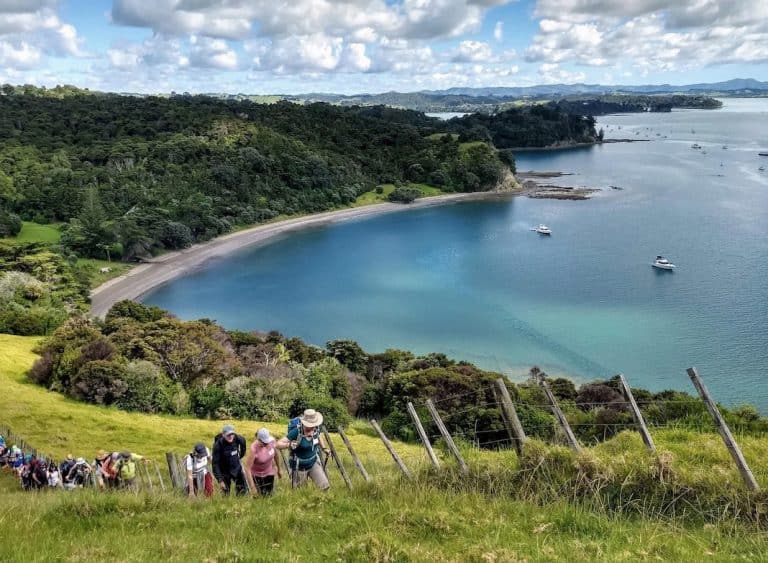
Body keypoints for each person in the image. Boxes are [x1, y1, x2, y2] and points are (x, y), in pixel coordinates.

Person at [276, 409, 330, 491]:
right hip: (299, 467)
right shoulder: (296, 432)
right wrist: (289, 445)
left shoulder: (316, 429)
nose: (313, 427)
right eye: (310, 424)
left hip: (313, 462)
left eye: (314, 424)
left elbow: (318, 436)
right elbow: (278, 444)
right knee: (301, 492)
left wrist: (324, 448)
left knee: (324, 487)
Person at [211, 424, 247, 496]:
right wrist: (220, 480)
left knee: (242, 490)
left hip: (236, 468)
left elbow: (243, 446)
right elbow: (215, 464)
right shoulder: (218, 445)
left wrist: (240, 455)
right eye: (228, 435)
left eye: (232, 434)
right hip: (224, 471)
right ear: (223, 435)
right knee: (225, 493)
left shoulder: (238, 439)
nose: (231, 436)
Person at [245, 428, 282, 496]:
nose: (266, 444)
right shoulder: (253, 449)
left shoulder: (272, 441)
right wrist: (252, 487)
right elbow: (247, 468)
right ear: (258, 439)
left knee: (268, 495)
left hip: (269, 473)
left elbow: (276, 455)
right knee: (258, 497)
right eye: (264, 443)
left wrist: (279, 469)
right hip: (257, 476)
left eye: (267, 442)